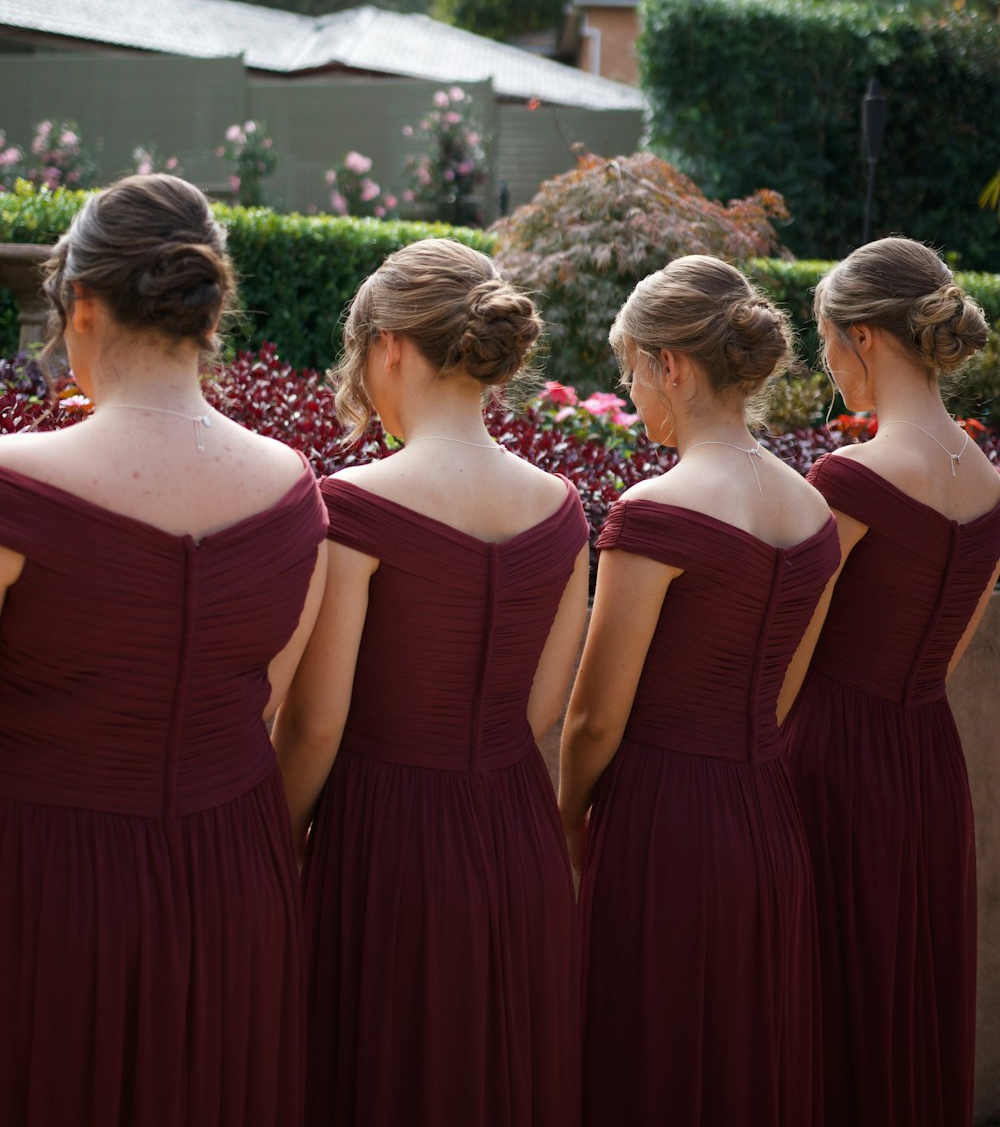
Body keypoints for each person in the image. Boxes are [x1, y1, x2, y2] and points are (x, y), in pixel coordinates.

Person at [0, 174, 328, 1127]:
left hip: (44, 882)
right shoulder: (291, 489)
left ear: (84, 305)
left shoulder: (16, 481)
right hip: (235, 881)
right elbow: (269, 701)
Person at [272, 237, 590, 1127]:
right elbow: (542, 710)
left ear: (391, 347)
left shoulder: (357, 507)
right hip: (516, 832)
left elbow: (314, 730)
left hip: (385, 845)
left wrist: (270, 842)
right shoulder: (563, 510)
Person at [559, 254, 840, 1127]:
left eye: (630, 369)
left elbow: (596, 716)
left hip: (660, 824)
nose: (631, 389)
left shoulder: (655, 513)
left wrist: (566, 824)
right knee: (742, 1061)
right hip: (765, 814)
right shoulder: (813, 512)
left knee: (649, 1061)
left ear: (671, 366)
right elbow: (787, 691)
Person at [782, 236, 1000, 1127]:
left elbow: (783, 652)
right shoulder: (987, 480)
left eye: (829, 342)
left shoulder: (851, 477)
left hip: (830, 758)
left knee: (834, 1002)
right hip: (927, 757)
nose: (829, 366)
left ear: (865, 337)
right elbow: (950, 652)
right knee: (909, 993)